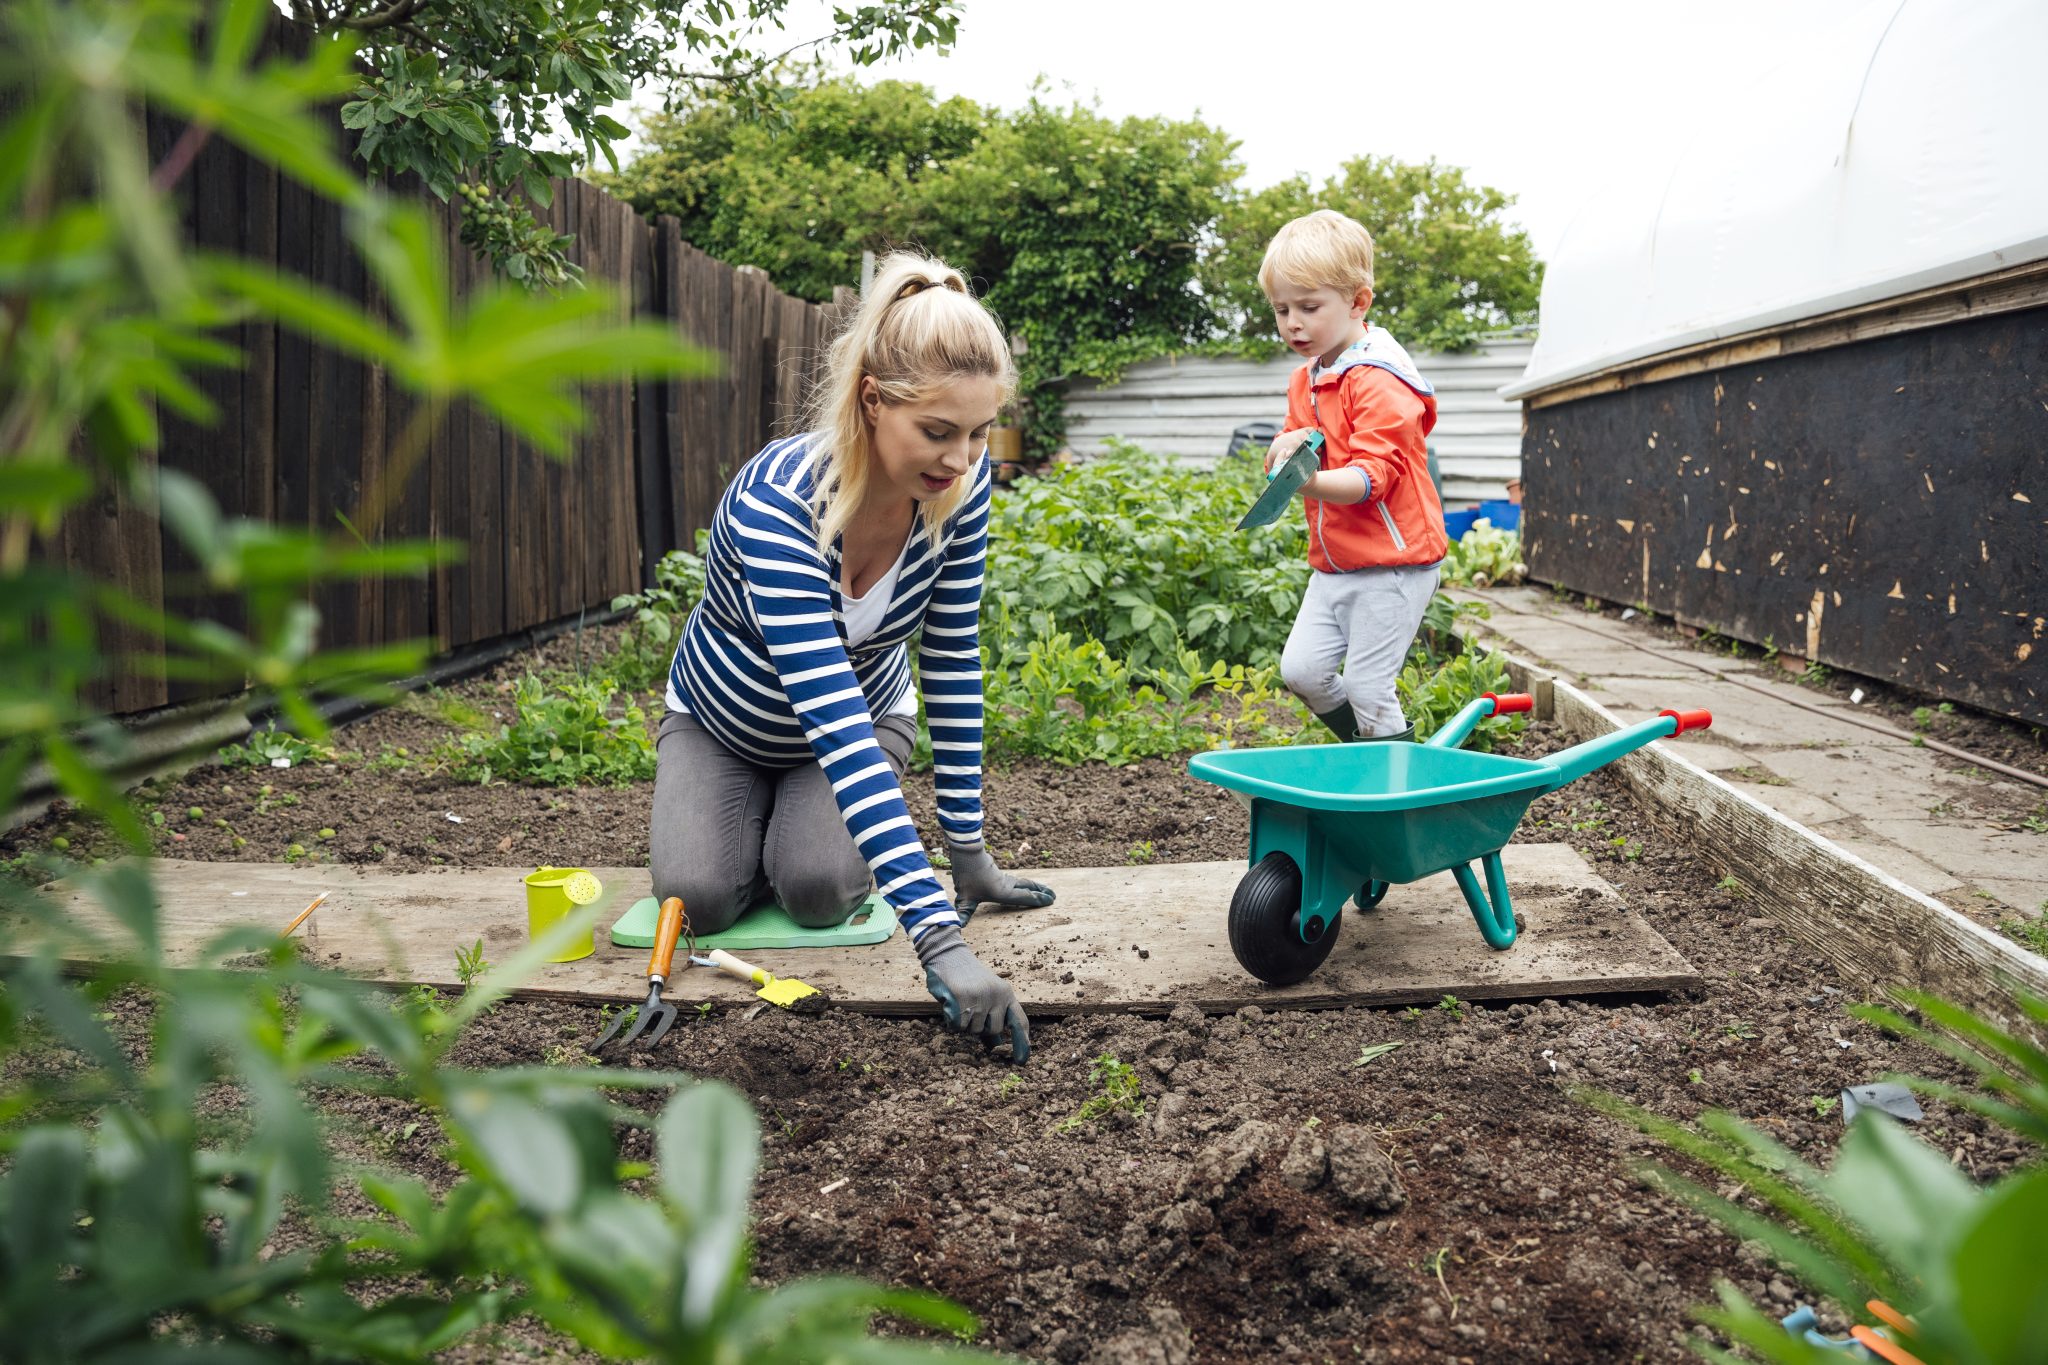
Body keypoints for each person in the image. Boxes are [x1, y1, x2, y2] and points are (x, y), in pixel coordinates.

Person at [649, 251, 1053, 1060]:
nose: (959, 461)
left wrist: (966, 853)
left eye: (979, 435)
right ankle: (749, 815)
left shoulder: (957, 495)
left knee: (820, 889)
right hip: (723, 725)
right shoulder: (780, 505)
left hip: (865, 718)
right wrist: (939, 943)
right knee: (697, 897)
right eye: (937, 432)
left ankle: (792, 835)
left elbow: (949, 662)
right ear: (873, 400)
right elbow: (825, 718)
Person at [1259, 210, 1448, 741]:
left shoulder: (1378, 379)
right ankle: (1366, 749)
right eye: (1281, 309)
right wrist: (1284, 450)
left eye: (1309, 307)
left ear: (1358, 302)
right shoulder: (1308, 378)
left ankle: (1397, 792)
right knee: (1302, 672)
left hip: (1394, 564)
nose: (1293, 322)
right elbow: (1302, 442)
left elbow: (1371, 479)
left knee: (1368, 688)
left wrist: (1308, 481)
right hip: (1336, 563)